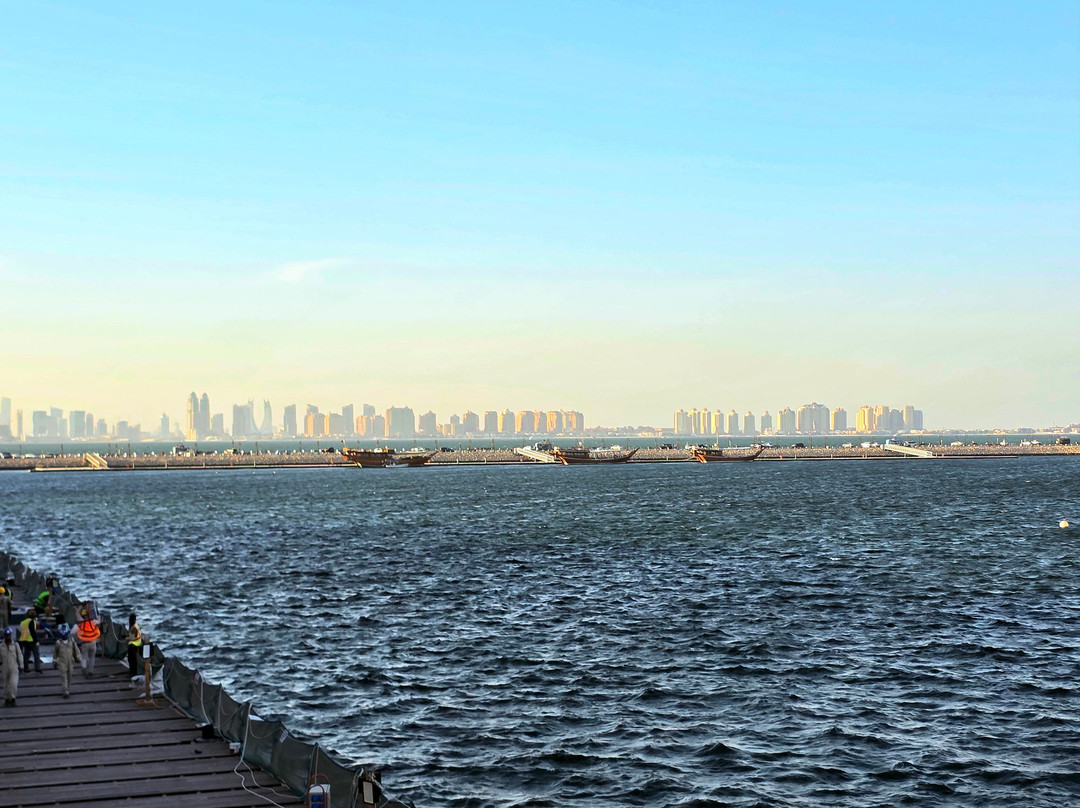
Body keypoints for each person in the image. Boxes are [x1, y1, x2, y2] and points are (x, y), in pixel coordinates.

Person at [52, 624, 82, 698]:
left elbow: (76, 650)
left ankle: (68, 689)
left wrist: (78, 658)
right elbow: (55, 653)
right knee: (64, 677)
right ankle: (65, 691)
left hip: (70, 661)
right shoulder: (58, 643)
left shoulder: (71, 640)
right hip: (62, 662)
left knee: (69, 676)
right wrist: (55, 662)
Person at [75, 608, 101, 678]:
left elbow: (77, 613)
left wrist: (80, 607)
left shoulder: (81, 623)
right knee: (92, 657)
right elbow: (99, 621)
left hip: (85, 643)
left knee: (84, 657)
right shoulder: (93, 622)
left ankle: (84, 668)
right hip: (93, 643)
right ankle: (91, 671)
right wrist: (98, 614)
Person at [17, 609, 43, 675]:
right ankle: (37, 669)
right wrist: (36, 641)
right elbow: (32, 632)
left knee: (26, 655)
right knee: (36, 654)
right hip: (31, 640)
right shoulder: (32, 621)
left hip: (24, 640)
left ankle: (26, 668)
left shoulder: (23, 622)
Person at [1, 626, 22, 705]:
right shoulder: (1, 646)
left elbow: (19, 655)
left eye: (9, 635)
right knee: (6, 684)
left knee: (13, 683)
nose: (8, 637)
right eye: (6, 635)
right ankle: (7, 698)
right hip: (5, 667)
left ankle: (13, 697)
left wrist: (21, 665)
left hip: (14, 667)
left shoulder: (15, 645)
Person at [126, 613, 143, 682]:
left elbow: (132, 637)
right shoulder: (133, 626)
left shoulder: (134, 628)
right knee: (131, 659)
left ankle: (133, 673)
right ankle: (132, 672)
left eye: (131, 619)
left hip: (134, 646)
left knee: (132, 660)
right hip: (133, 645)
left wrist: (125, 637)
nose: (130, 620)